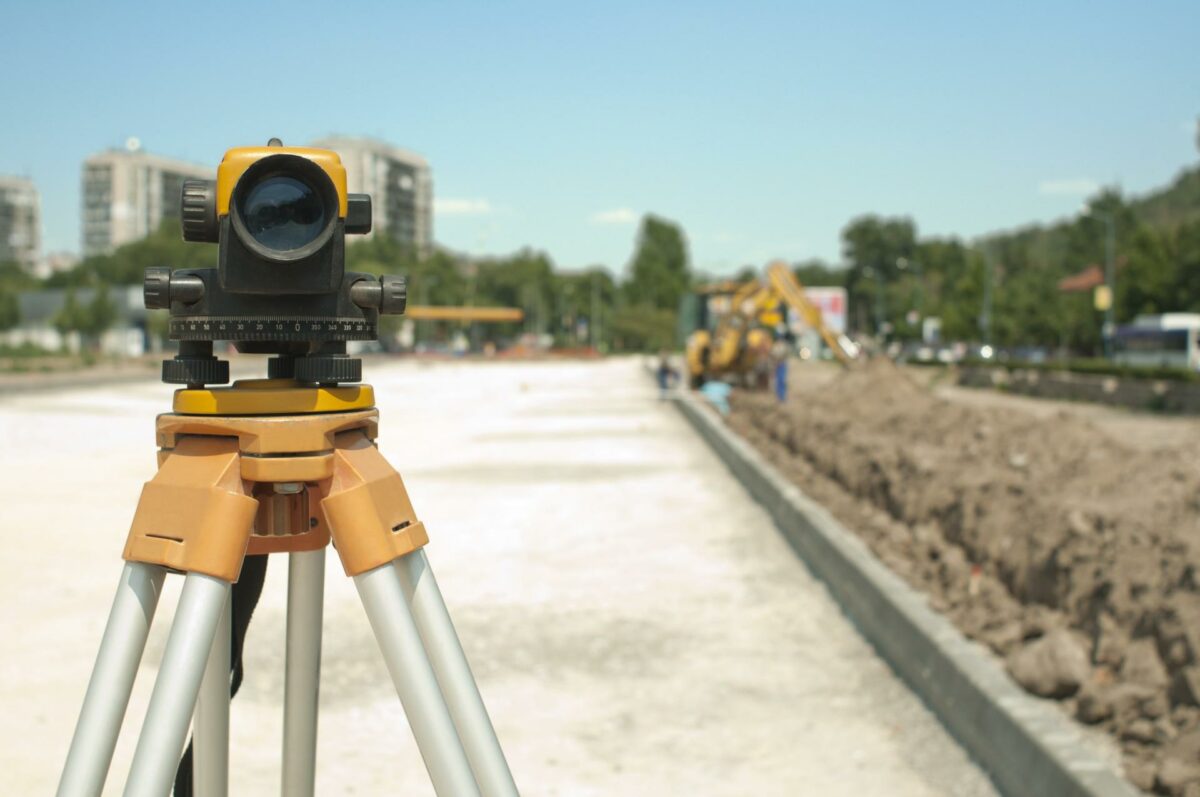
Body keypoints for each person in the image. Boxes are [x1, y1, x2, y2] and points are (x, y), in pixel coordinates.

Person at [770, 337, 789, 403]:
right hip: (777, 365)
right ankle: (779, 397)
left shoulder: (783, 346)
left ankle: (782, 397)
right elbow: (773, 356)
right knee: (778, 381)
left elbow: (785, 355)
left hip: (782, 365)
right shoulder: (775, 347)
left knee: (782, 381)